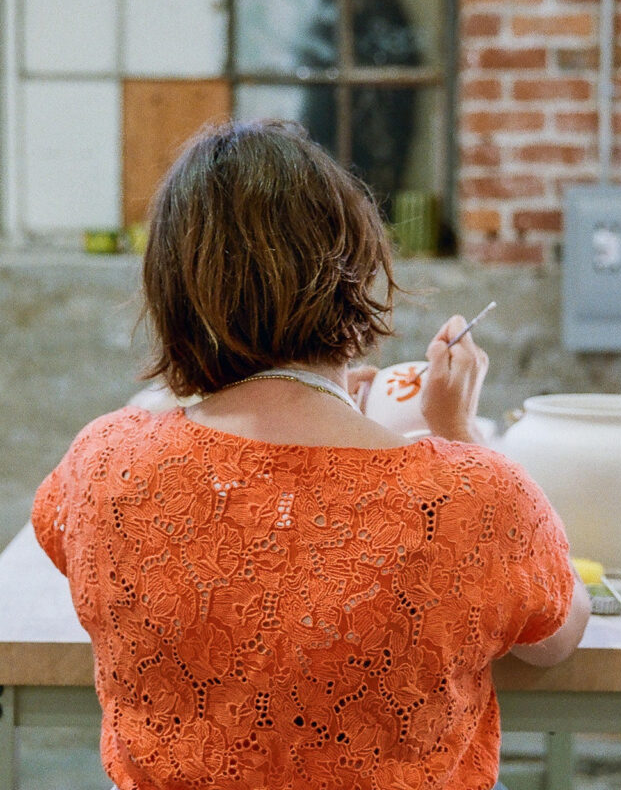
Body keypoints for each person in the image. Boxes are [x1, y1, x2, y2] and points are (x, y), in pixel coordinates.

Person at [32, 120, 590, 790]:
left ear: (171, 292)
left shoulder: (102, 462)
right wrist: (457, 429)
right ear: (353, 270)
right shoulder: (472, 495)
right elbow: (556, 637)